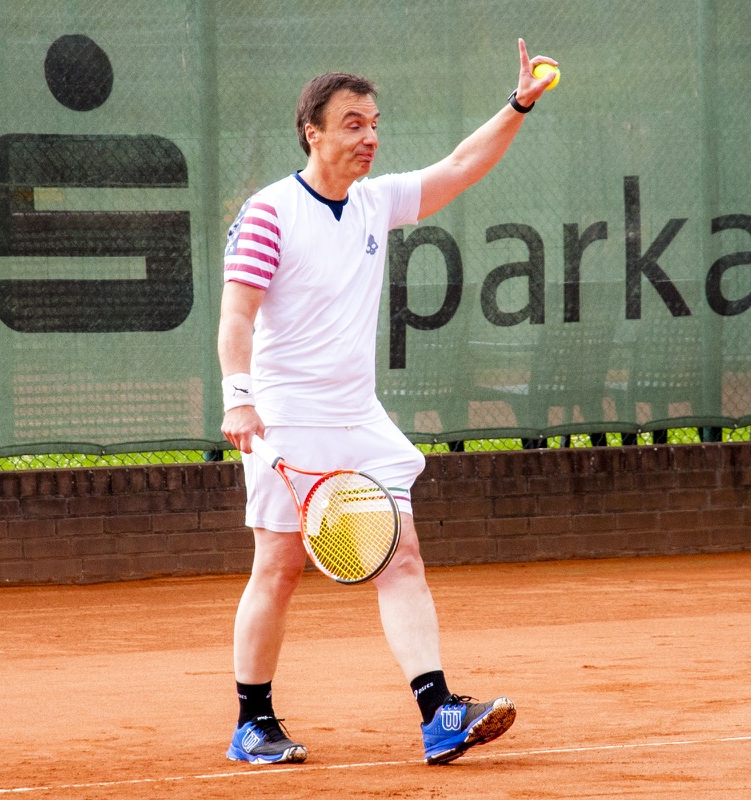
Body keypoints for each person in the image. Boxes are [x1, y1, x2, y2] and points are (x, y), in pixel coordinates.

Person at [216, 39, 558, 767]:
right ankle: (253, 723)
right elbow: (237, 315)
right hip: (288, 416)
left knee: (402, 554)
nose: (369, 136)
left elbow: (460, 165)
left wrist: (519, 103)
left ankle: (439, 714)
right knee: (278, 566)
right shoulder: (270, 212)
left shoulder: (376, 202)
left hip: (360, 416)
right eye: (352, 124)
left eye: (374, 124)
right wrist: (238, 398)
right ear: (312, 131)